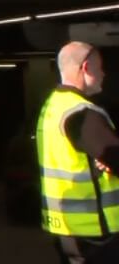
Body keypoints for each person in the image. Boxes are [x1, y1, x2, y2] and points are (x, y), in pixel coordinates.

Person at [38, 41, 119, 263]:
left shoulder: (53, 105)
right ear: (85, 68)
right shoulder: (81, 112)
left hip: (66, 228)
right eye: (99, 67)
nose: (103, 73)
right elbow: (114, 156)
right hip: (95, 232)